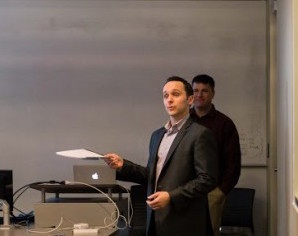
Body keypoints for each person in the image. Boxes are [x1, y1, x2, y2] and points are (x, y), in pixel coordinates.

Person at [104, 76, 218, 236]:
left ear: (190, 99)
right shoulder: (157, 136)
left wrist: (171, 197)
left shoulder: (200, 134)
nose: (169, 100)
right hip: (156, 220)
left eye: (175, 94)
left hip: (185, 222)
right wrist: (123, 165)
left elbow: (208, 179)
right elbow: (151, 176)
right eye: (166, 96)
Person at [190, 74, 241, 236]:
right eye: (195, 90)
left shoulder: (224, 124)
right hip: (184, 193)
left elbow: (233, 163)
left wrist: (220, 192)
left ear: (212, 93)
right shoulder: (182, 121)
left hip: (211, 193)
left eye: (204, 91)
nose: (199, 95)